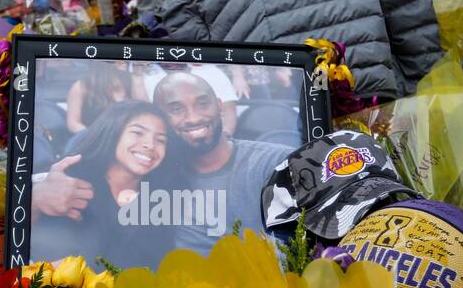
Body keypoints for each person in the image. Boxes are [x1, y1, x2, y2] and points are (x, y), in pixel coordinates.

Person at [32, 71, 292, 257]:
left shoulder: (271, 162)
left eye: (202, 103)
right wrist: (34, 196)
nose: (193, 117)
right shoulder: (78, 179)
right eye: (176, 109)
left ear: (220, 106)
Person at [31, 101, 178, 268]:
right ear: (114, 131)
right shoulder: (71, 181)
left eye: (161, 140)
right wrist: (34, 199)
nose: (150, 145)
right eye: (137, 132)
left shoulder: (159, 199)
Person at [64, 64, 148, 133]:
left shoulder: (130, 80)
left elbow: (146, 113)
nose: (124, 60)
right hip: (92, 139)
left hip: (123, 139)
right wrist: (94, 137)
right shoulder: (82, 86)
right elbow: (73, 123)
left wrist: (138, 76)